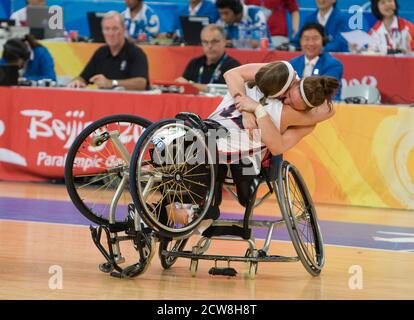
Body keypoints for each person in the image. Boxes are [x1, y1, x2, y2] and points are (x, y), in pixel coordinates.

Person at [170, 61, 339, 224]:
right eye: (287, 95)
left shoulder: (289, 110)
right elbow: (232, 73)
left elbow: (328, 111)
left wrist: (256, 109)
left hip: (234, 150)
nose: (286, 100)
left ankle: (188, 207)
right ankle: (188, 208)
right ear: (296, 81)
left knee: (204, 146)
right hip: (218, 140)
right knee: (206, 147)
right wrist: (245, 109)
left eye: (292, 103)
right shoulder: (280, 74)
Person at [68, 11, 149, 90]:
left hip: (130, 102)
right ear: (102, 31)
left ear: (123, 29)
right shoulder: (100, 53)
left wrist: (112, 83)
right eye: (107, 29)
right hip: (103, 102)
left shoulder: (136, 53)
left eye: (115, 29)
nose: (111, 34)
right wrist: (77, 81)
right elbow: (83, 77)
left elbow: (141, 83)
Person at [175, 24, 241, 92]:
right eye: (205, 42)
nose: (209, 46)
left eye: (214, 41)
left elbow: (224, 91)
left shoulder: (234, 67)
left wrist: (191, 85)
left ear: (224, 42)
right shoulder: (194, 63)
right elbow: (182, 87)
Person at [290, 23, 343, 100]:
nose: (311, 43)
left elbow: (326, 91)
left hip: (325, 106)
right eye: (306, 39)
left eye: (315, 39)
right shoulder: (292, 64)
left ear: (323, 41)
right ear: (300, 41)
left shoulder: (333, 64)